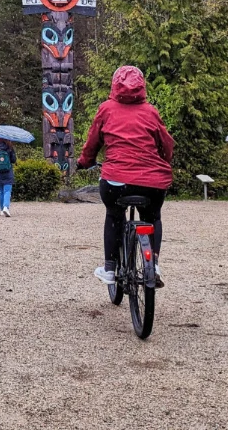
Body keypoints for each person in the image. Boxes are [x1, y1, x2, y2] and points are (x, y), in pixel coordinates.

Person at [77, 65, 174, 288]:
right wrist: (163, 161)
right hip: (152, 182)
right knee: (153, 216)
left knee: (114, 215)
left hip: (116, 181)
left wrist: (85, 162)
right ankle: (155, 265)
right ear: (142, 86)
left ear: (114, 85)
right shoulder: (150, 112)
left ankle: (110, 268)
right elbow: (166, 143)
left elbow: (93, 142)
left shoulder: (106, 109)